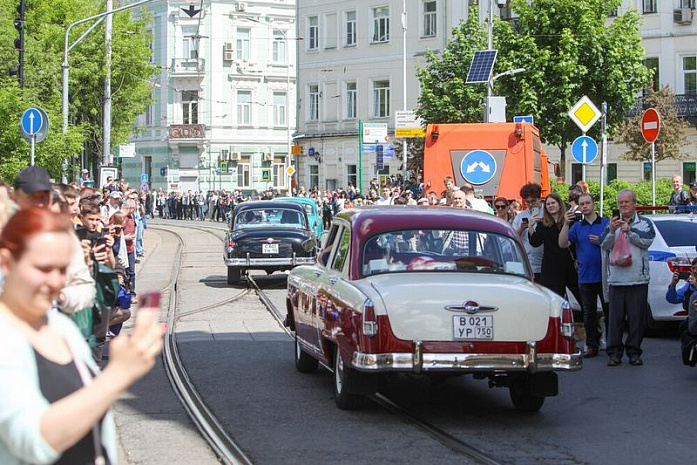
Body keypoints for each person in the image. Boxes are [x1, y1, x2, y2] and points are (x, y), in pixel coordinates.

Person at [0, 208, 163, 464]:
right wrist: (118, 374)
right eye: (43, 268)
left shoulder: (58, 325)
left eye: (62, 269)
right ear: (7, 263)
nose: (55, 281)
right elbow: (33, 441)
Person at [600, 189, 655, 366]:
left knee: (636, 319)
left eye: (627, 202)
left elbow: (647, 240)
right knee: (614, 320)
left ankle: (634, 352)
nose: (623, 205)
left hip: (638, 279)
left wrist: (629, 231)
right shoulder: (611, 223)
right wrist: (611, 230)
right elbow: (603, 244)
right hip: (616, 279)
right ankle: (614, 353)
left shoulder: (644, 223)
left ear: (634, 203)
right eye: (621, 202)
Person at [559, 193, 610, 358]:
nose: (585, 206)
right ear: (579, 207)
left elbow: (615, 243)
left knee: (610, 311)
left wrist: (602, 241)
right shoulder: (577, 226)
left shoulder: (606, 223)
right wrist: (566, 224)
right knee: (589, 314)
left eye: (588, 203)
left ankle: (611, 343)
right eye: (582, 204)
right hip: (585, 276)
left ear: (594, 204)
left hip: (605, 275)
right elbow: (562, 243)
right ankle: (591, 345)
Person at [528, 193, 581, 304]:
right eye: (548, 204)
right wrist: (530, 227)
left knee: (581, 297)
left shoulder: (570, 220)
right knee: (555, 303)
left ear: (559, 205)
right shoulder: (543, 224)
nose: (550, 205)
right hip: (551, 268)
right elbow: (535, 242)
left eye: (553, 203)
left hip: (569, 265)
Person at [511, 183, 544, 281]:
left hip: (545, 262)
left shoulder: (546, 213)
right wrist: (521, 228)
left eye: (533, 201)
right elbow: (512, 237)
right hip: (527, 261)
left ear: (539, 199)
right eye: (527, 202)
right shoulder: (520, 216)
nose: (530, 205)